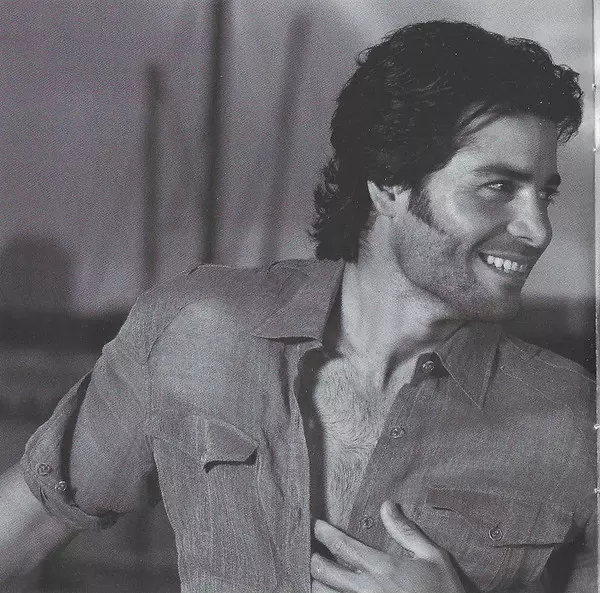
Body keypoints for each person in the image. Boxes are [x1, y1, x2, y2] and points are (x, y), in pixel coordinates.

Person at [0, 20, 595, 593]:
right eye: (498, 187)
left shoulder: (575, 421)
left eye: (544, 194)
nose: (538, 228)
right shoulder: (195, 331)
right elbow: (21, 531)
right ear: (390, 183)